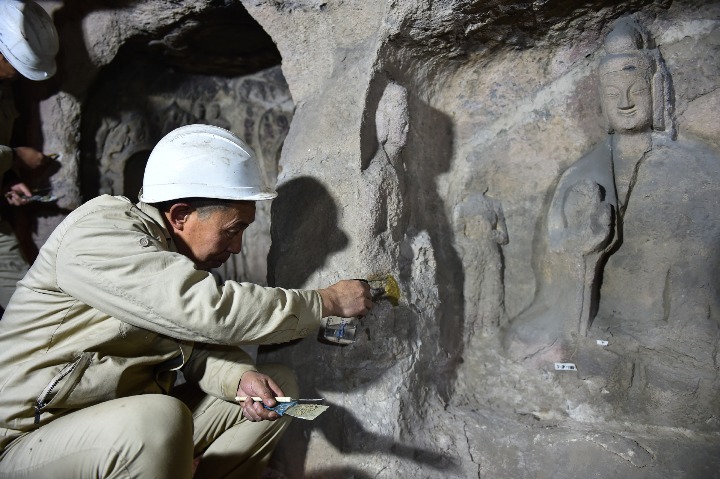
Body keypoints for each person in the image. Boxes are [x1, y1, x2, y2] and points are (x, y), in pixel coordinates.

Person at [0, 124, 373, 478]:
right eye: (232, 230)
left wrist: (237, 378)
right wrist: (326, 302)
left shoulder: (168, 259)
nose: (237, 246)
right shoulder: (101, 232)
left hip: (108, 427)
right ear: (180, 215)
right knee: (157, 420)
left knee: (274, 384)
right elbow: (210, 311)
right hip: (26, 438)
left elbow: (190, 348)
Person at [0, 0, 59, 310]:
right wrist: (16, 158)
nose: (18, 77)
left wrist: (7, 179)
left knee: (26, 306)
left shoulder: (3, 84)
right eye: (16, 68)